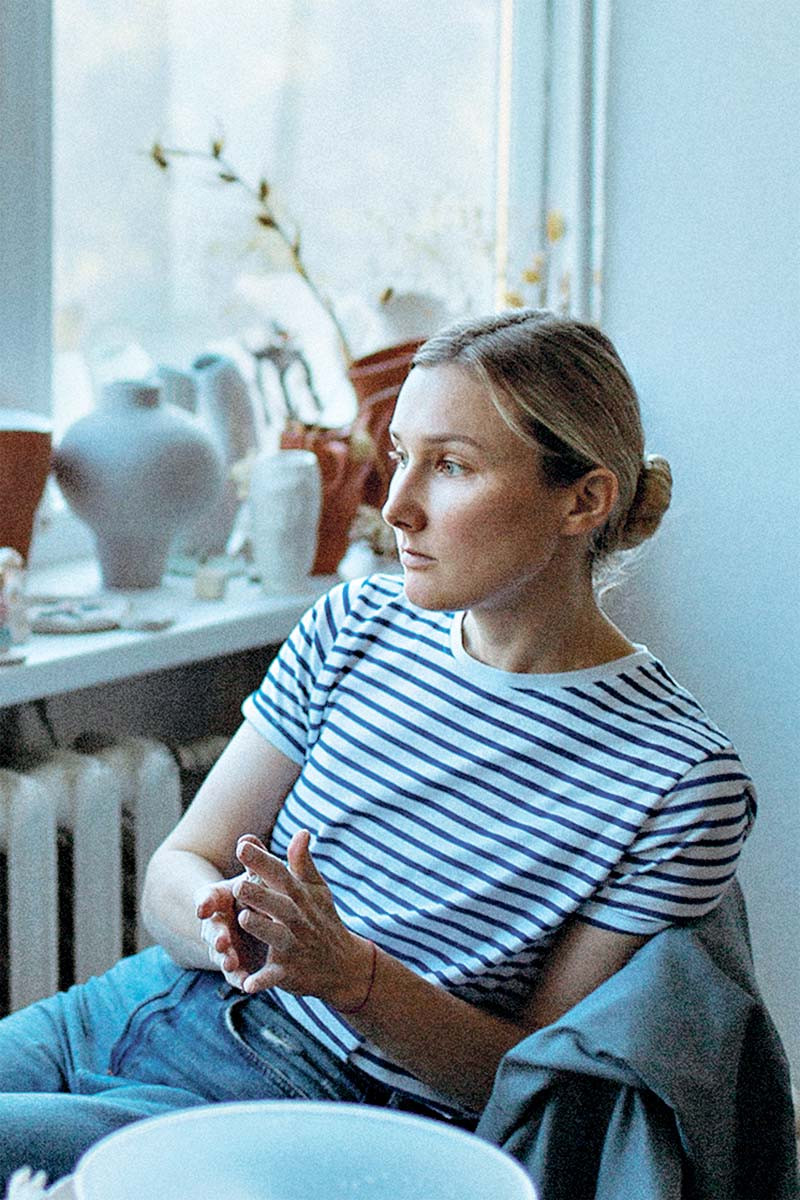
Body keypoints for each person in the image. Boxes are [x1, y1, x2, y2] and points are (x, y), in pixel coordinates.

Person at [0, 309, 756, 1188]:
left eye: (452, 466)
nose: (395, 507)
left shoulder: (680, 780)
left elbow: (527, 1088)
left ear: (583, 500)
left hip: (313, 1111)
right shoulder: (355, 622)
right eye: (400, 455)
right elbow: (178, 866)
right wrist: (229, 929)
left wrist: (350, 977)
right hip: (142, 1006)